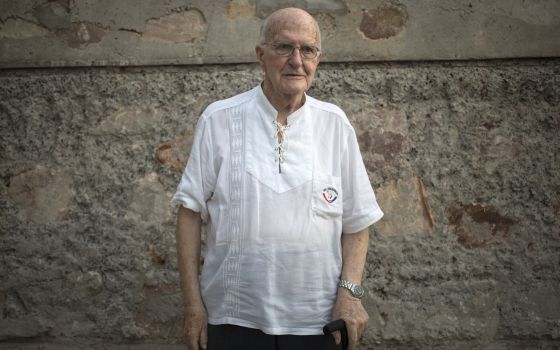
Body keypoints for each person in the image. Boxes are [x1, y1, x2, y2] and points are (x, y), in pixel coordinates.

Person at [172, 7, 383, 350]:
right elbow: (189, 214)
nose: (296, 61)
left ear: (318, 58)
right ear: (261, 55)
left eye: (308, 50)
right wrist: (193, 307)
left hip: (318, 322)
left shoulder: (335, 124)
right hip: (233, 318)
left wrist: (350, 296)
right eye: (284, 47)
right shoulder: (219, 119)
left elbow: (357, 223)